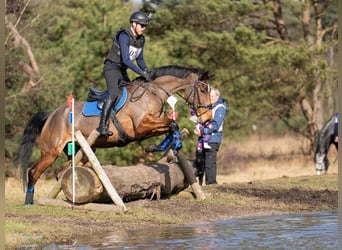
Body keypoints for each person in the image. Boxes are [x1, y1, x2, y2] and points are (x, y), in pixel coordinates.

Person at [97, 11, 152, 136]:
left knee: (133, 92)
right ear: (133, 24)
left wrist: (147, 71)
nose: (144, 28)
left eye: (145, 26)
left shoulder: (141, 39)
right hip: (111, 68)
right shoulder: (124, 36)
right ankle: (102, 126)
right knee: (114, 93)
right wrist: (140, 72)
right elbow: (126, 60)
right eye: (142, 25)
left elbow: (140, 59)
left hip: (122, 71)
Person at [194, 87, 227, 185]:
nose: (210, 98)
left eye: (212, 96)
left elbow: (215, 125)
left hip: (213, 138)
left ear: (217, 96)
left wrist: (202, 131)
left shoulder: (220, 108)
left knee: (210, 162)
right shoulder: (208, 107)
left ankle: (211, 184)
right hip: (203, 139)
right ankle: (199, 184)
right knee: (200, 161)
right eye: (209, 96)